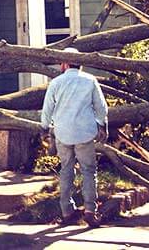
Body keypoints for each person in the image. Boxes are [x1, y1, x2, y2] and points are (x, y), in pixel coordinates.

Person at [40, 47, 108, 227]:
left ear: (66, 63)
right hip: (84, 132)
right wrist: (102, 124)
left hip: (63, 133)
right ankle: (90, 210)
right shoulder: (90, 80)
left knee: (66, 169)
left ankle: (66, 210)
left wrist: (44, 128)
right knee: (88, 170)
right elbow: (101, 107)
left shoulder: (56, 83)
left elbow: (47, 109)